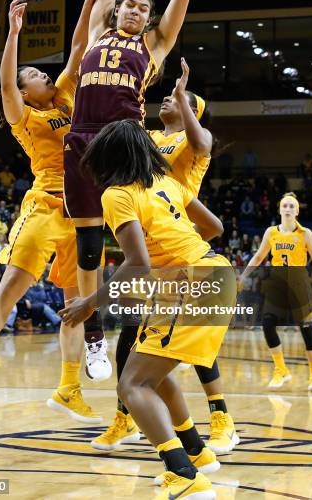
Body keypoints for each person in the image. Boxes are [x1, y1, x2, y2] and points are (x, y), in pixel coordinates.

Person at [0, 0, 117, 417]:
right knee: (10, 288)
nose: (44, 74)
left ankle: (67, 388)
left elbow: (80, 48)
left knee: (74, 305)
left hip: (83, 214)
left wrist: (88, 4)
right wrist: (13, 33)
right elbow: (7, 85)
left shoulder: (63, 99)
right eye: (35, 75)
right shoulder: (24, 117)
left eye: (43, 72)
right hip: (45, 207)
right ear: (26, 92)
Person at [60, 120, 237, 500]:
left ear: (109, 156)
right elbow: (215, 227)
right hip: (213, 271)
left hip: (191, 283)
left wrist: (87, 304)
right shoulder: (169, 183)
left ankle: (184, 475)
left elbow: (137, 261)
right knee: (151, 371)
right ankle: (198, 454)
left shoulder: (116, 194)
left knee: (132, 384)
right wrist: (170, 255)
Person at [62, 0, 194, 376]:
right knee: (87, 244)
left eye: (144, 9)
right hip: (81, 136)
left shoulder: (154, 45)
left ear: (150, 19)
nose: (136, 11)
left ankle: (149, 319)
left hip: (125, 139)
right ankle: (94, 335)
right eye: (130, 5)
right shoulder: (98, 30)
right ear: (119, 9)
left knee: (139, 240)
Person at [92, 59, 238, 456]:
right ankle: (140, 423)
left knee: (164, 347)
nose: (167, 102)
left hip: (178, 240)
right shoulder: (150, 142)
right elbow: (122, 131)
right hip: (160, 237)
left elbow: (204, 144)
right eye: (167, 98)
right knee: (139, 339)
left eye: (176, 100)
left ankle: (214, 420)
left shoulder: (193, 137)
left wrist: (184, 96)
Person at [240, 192, 312, 392]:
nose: (288, 209)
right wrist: (244, 275)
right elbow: (258, 257)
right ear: (280, 209)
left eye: (292, 206)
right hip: (277, 283)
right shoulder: (271, 232)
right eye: (285, 206)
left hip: (299, 282)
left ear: (297, 211)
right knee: (267, 324)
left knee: (306, 327)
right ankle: (281, 369)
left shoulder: (305, 233)